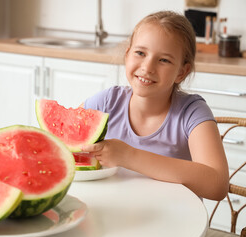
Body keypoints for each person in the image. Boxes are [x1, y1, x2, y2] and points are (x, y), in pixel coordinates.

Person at [81, 10, 229, 201]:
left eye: (164, 60)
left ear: (181, 72)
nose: (148, 67)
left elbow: (217, 185)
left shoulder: (191, 112)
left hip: (176, 223)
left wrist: (129, 156)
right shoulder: (107, 102)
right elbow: (62, 146)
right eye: (140, 53)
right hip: (115, 215)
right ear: (127, 55)